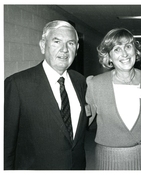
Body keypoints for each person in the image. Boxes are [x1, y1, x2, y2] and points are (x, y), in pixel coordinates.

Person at [4, 20, 88, 170]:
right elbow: (5, 144)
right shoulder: (17, 84)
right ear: (43, 45)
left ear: (77, 48)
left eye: (70, 43)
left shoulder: (80, 81)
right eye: (57, 42)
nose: (64, 50)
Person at [86, 28, 141, 170]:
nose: (124, 54)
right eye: (116, 49)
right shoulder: (95, 84)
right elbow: (81, 124)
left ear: (135, 51)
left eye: (128, 46)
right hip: (108, 162)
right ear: (108, 56)